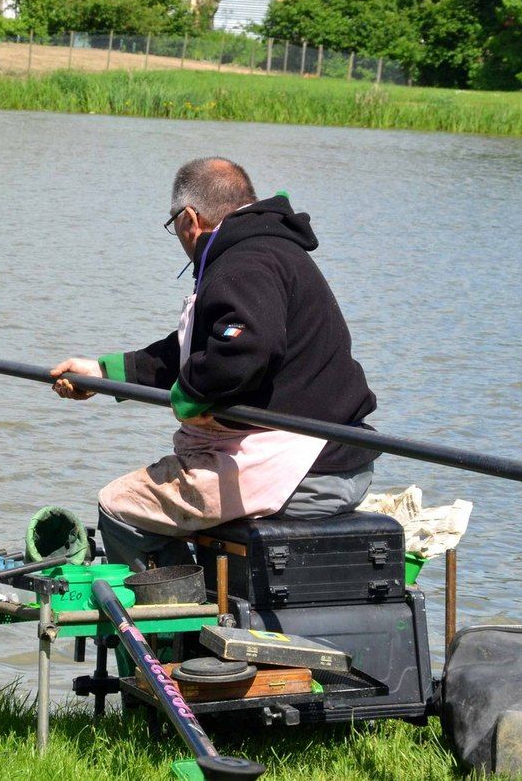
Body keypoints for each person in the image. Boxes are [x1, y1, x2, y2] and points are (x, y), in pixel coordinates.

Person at [51, 157, 379, 571]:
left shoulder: (244, 262)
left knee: (120, 506)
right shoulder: (265, 247)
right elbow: (198, 350)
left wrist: (187, 397)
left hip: (307, 469)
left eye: (175, 227)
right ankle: (196, 591)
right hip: (335, 458)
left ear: (190, 219)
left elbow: (242, 351)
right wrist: (105, 373)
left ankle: (173, 625)